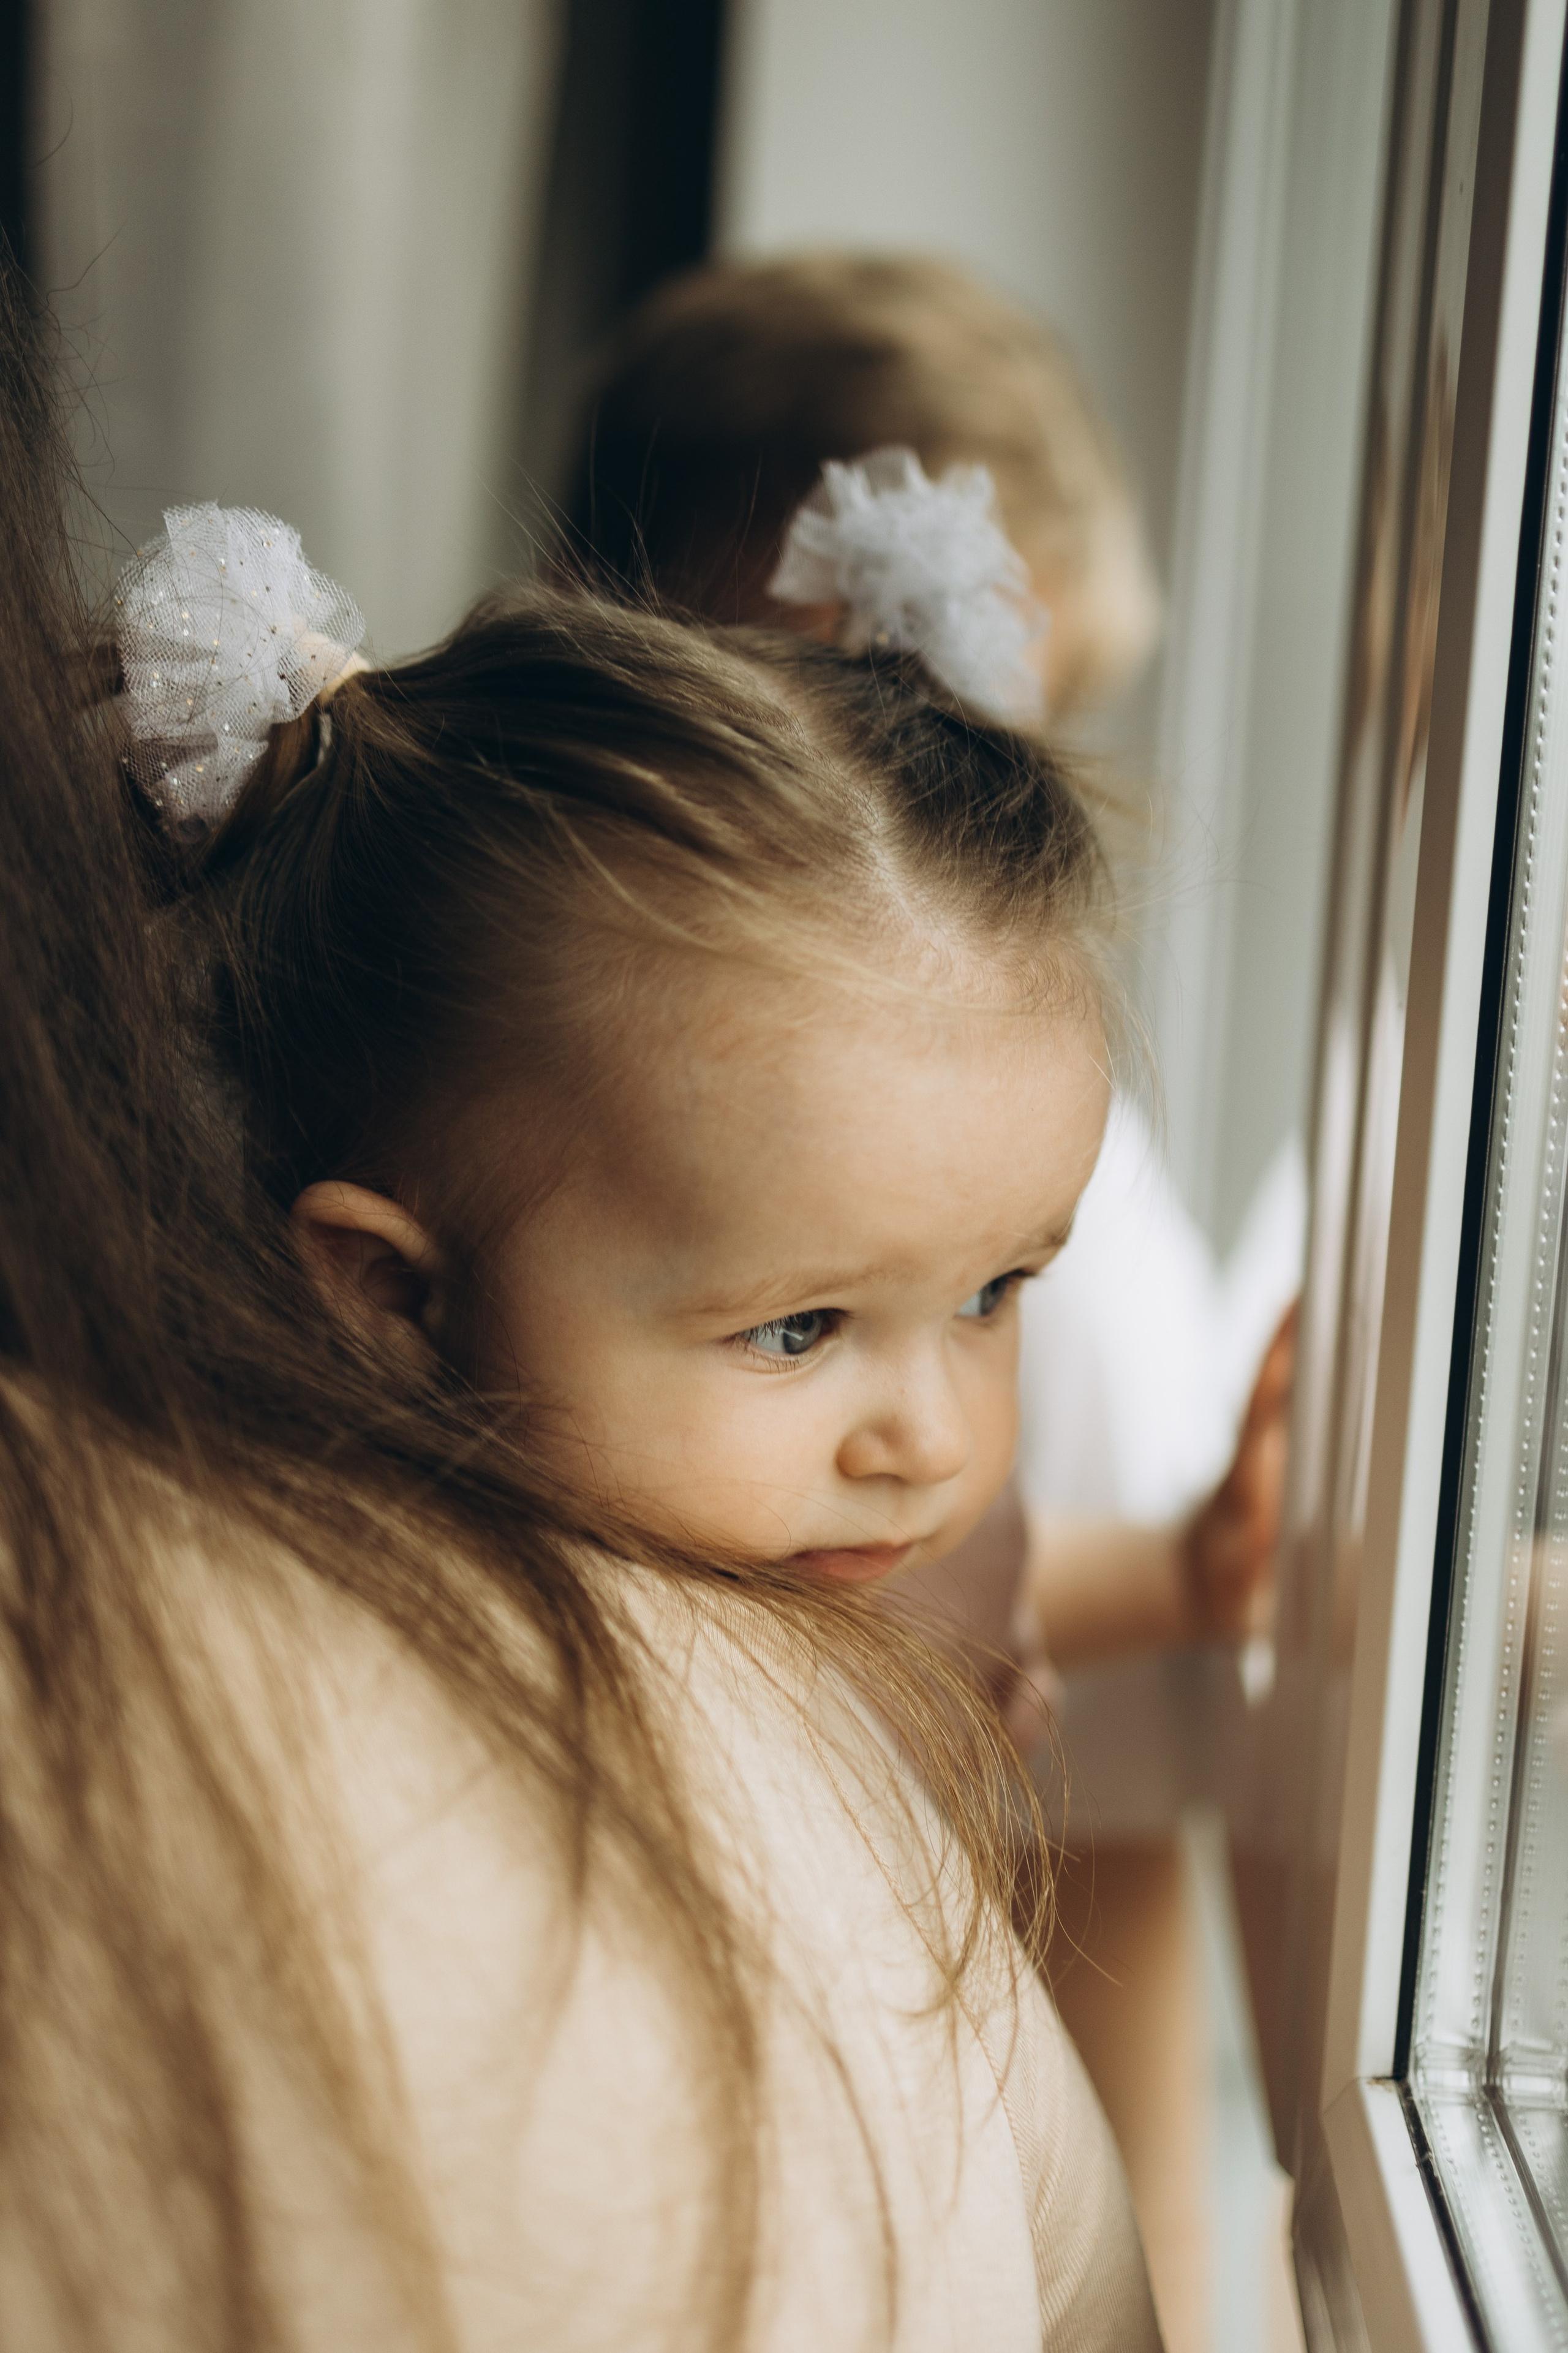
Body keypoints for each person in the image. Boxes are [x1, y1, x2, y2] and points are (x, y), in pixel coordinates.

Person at [0, 246, 1161, 2351]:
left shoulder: (833, 1534)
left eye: (1000, 1287)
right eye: (802, 1327)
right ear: (385, 1298)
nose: (933, 1430)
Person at [562, 249, 1298, 2345]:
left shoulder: (996, 1107)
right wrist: (1188, 1568)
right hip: (1029, 1840)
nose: (964, 810)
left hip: (1117, 1816)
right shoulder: (711, 1144)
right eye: (895, 690)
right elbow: (853, 1551)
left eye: (1012, 724)